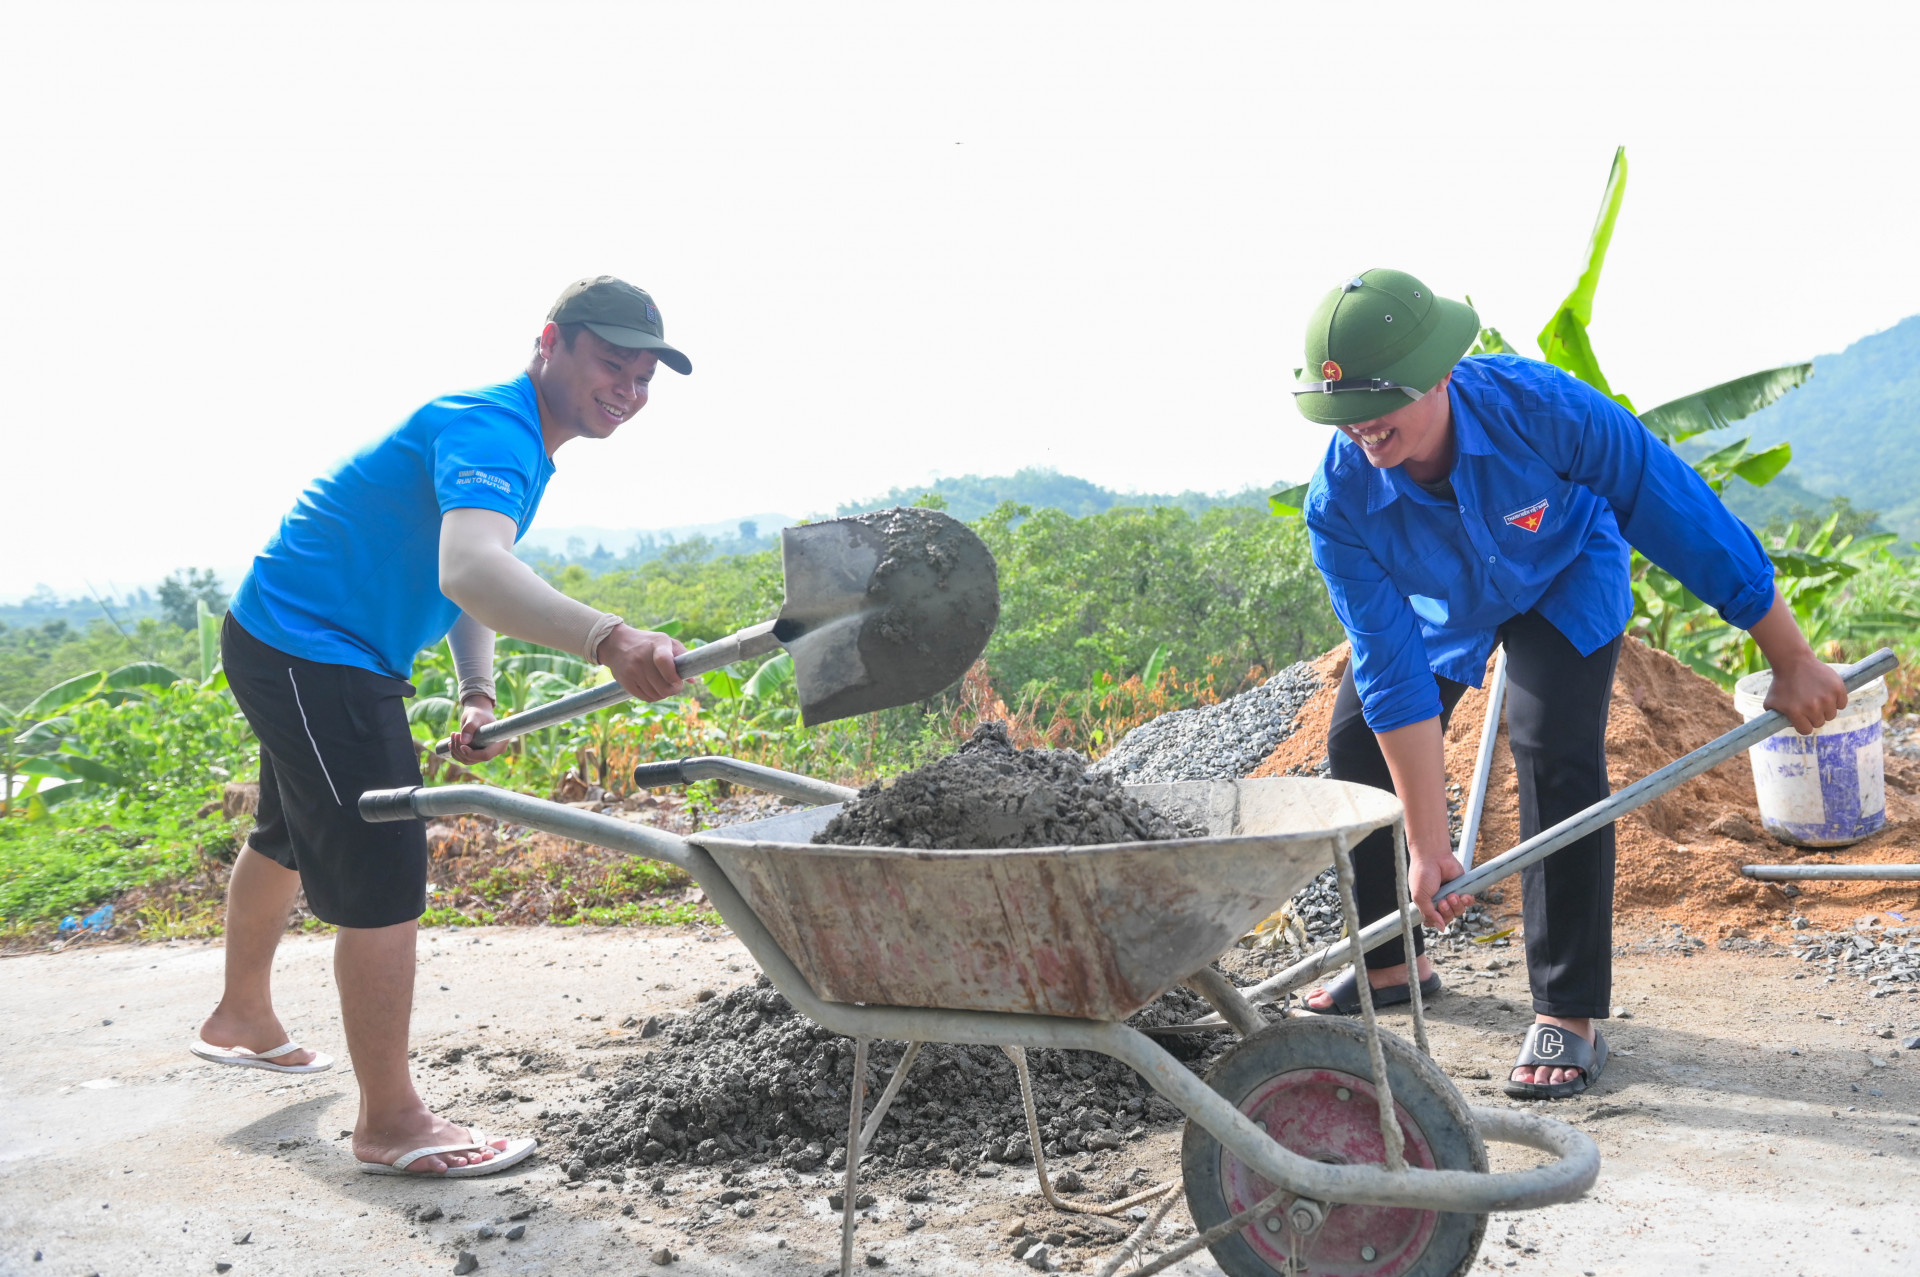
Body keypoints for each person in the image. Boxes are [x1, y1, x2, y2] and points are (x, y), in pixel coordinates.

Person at [1289, 269, 1847, 1098]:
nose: (1362, 429)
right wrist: (1430, 844)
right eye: (1346, 415)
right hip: (1445, 596)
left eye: (1383, 405)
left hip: (1564, 571)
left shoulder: (1542, 409)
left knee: (1553, 745)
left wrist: (1788, 653)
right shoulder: (1340, 501)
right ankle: (1388, 960)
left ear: (1443, 372)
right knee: (1354, 742)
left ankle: (1568, 1008)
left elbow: (1672, 508)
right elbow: (1389, 669)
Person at [193, 276, 693, 1174]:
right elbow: (469, 568)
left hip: (295, 635)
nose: (628, 389)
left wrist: (477, 692)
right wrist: (609, 638)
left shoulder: (511, 432)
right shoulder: (494, 427)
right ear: (552, 342)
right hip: (317, 649)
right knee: (384, 867)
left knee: (288, 833)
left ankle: (242, 1017)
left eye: (645, 376)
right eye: (611, 364)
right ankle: (391, 1122)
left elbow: (463, 568)